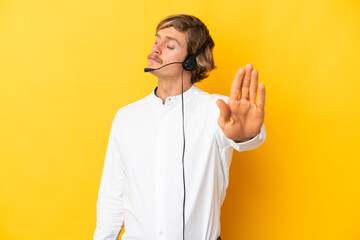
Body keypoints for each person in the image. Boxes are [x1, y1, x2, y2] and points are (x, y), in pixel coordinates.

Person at [93, 14, 266, 240]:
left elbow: (249, 137)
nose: (156, 48)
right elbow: (112, 196)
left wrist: (247, 135)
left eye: (170, 44)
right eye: (156, 40)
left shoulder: (218, 110)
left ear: (191, 60)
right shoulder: (126, 117)